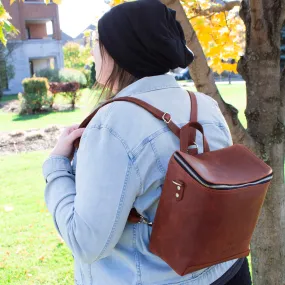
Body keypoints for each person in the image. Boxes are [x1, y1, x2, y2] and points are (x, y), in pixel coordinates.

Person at [42, 1, 252, 284]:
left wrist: (56, 166)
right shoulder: (204, 105)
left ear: (119, 50)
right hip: (228, 270)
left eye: (96, 42)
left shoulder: (112, 123)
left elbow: (86, 242)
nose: (92, 51)